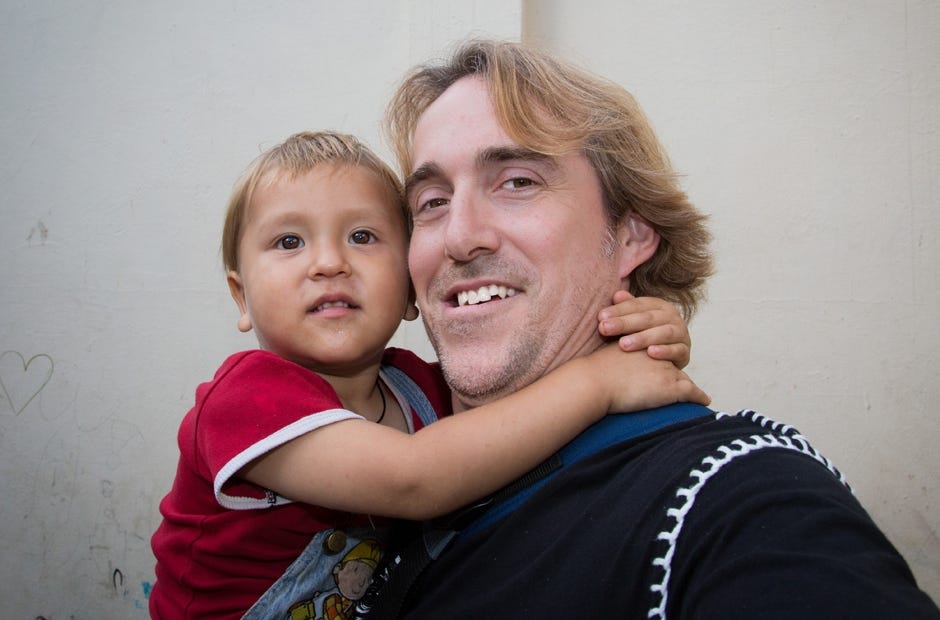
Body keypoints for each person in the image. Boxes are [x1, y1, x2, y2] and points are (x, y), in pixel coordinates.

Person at [361, 39, 940, 619]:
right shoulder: (376, 440)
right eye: (431, 201)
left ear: (631, 235)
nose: (460, 236)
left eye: (517, 182)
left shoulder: (730, 494)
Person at [148, 130, 708, 619]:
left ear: (411, 287)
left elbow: (528, 401)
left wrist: (632, 334)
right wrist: (600, 382)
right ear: (241, 295)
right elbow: (413, 478)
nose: (329, 263)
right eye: (289, 242)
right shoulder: (243, 399)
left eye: (362, 237)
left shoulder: (420, 387)